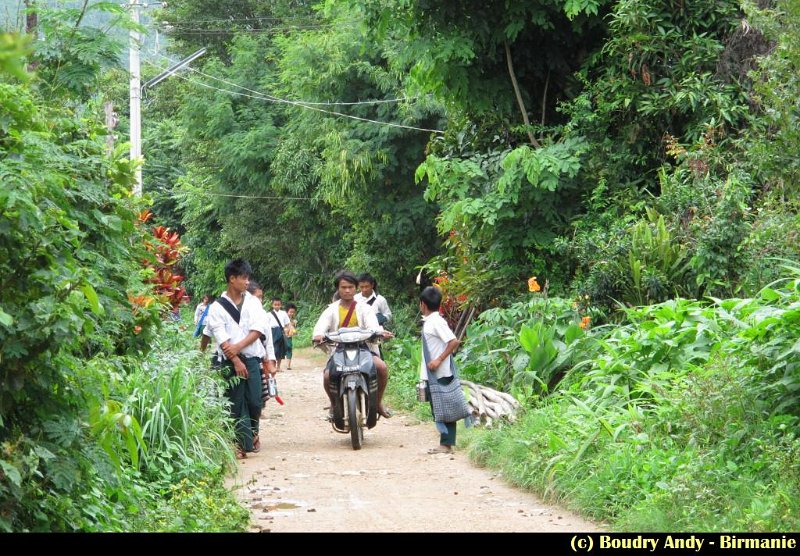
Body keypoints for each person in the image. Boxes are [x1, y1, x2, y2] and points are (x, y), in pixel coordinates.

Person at [205, 259, 270, 459]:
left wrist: (239, 349)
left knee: (254, 400)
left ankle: (253, 431)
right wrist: (235, 360)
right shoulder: (217, 307)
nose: (247, 282)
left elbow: (259, 329)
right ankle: (240, 443)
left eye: (248, 278)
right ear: (232, 279)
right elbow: (220, 335)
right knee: (235, 402)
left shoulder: (253, 303)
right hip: (229, 361)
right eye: (243, 278)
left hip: (250, 357)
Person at [313, 271, 394, 419]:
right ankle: (334, 405)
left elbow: (373, 325)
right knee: (327, 376)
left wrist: (380, 332)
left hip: (364, 348)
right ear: (338, 288)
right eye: (343, 287)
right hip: (339, 350)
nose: (347, 290)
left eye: (350, 287)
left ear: (355, 288)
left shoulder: (365, 308)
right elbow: (320, 327)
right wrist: (318, 336)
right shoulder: (331, 309)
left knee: (381, 367)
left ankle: (377, 403)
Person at [419, 286, 461, 454]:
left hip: (440, 372)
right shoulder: (431, 322)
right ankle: (445, 442)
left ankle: (446, 444)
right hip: (433, 374)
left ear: (422, 304)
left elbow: (453, 341)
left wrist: (438, 359)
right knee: (439, 408)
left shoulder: (436, 322)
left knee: (444, 409)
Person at [248, 281, 278, 410]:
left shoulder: (263, 315)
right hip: (246, 356)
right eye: (257, 297)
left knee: (261, 386)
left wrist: (271, 360)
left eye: (261, 297)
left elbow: (268, 340)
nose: (260, 300)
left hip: (259, 357)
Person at [266, 297, 291, 371]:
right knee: (273, 349)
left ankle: (278, 367)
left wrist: (288, 331)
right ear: (272, 305)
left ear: (281, 305)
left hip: (281, 331)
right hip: (272, 331)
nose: (277, 306)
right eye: (275, 304)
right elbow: (266, 325)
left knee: (280, 350)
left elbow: (287, 324)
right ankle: (273, 366)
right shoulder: (268, 314)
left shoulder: (283, 313)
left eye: (278, 304)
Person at [285, 303, 298, 370]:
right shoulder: (283, 318)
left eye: (293, 312)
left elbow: (294, 330)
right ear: (287, 311)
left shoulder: (293, 320)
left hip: (289, 337)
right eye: (290, 312)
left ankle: (288, 366)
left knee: (289, 349)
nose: (292, 313)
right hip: (283, 336)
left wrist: (294, 324)